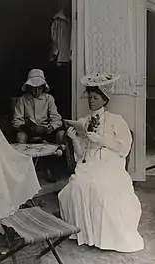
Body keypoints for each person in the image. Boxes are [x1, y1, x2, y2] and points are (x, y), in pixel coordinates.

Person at [58, 73, 144, 252]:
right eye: (89, 97)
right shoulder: (84, 122)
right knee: (77, 185)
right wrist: (74, 139)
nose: (91, 101)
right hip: (89, 163)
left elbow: (123, 149)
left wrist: (100, 139)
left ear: (105, 99)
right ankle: (85, 233)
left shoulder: (116, 120)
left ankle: (104, 237)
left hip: (110, 163)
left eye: (95, 97)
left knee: (102, 187)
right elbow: (81, 156)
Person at [12, 69, 65, 145]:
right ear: (29, 87)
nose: (37, 91)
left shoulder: (48, 98)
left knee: (61, 134)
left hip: (46, 131)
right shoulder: (22, 100)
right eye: (34, 88)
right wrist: (27, 128)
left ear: (43, 87)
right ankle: (25, 156)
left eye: (39, 88)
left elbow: (56, 119)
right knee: (20, 136)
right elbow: (16, 121)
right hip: (29, 132)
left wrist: (52, 127)